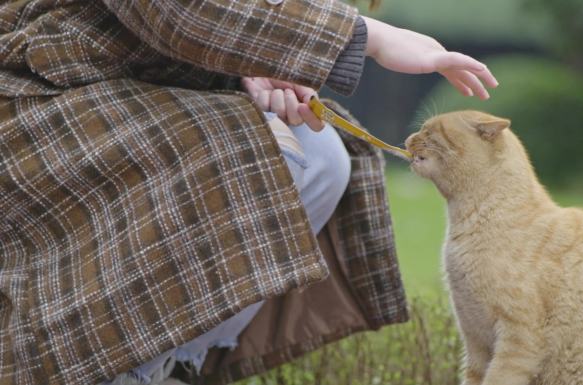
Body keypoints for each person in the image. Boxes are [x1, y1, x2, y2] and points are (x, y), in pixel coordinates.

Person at [0, 1, 497, 385]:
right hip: (41, 86)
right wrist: (366, 36)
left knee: (321, 153)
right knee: (245, 150)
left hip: (131, 86)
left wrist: (249, 63)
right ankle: (110, 367)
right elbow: (178, 14)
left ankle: (170, 365)